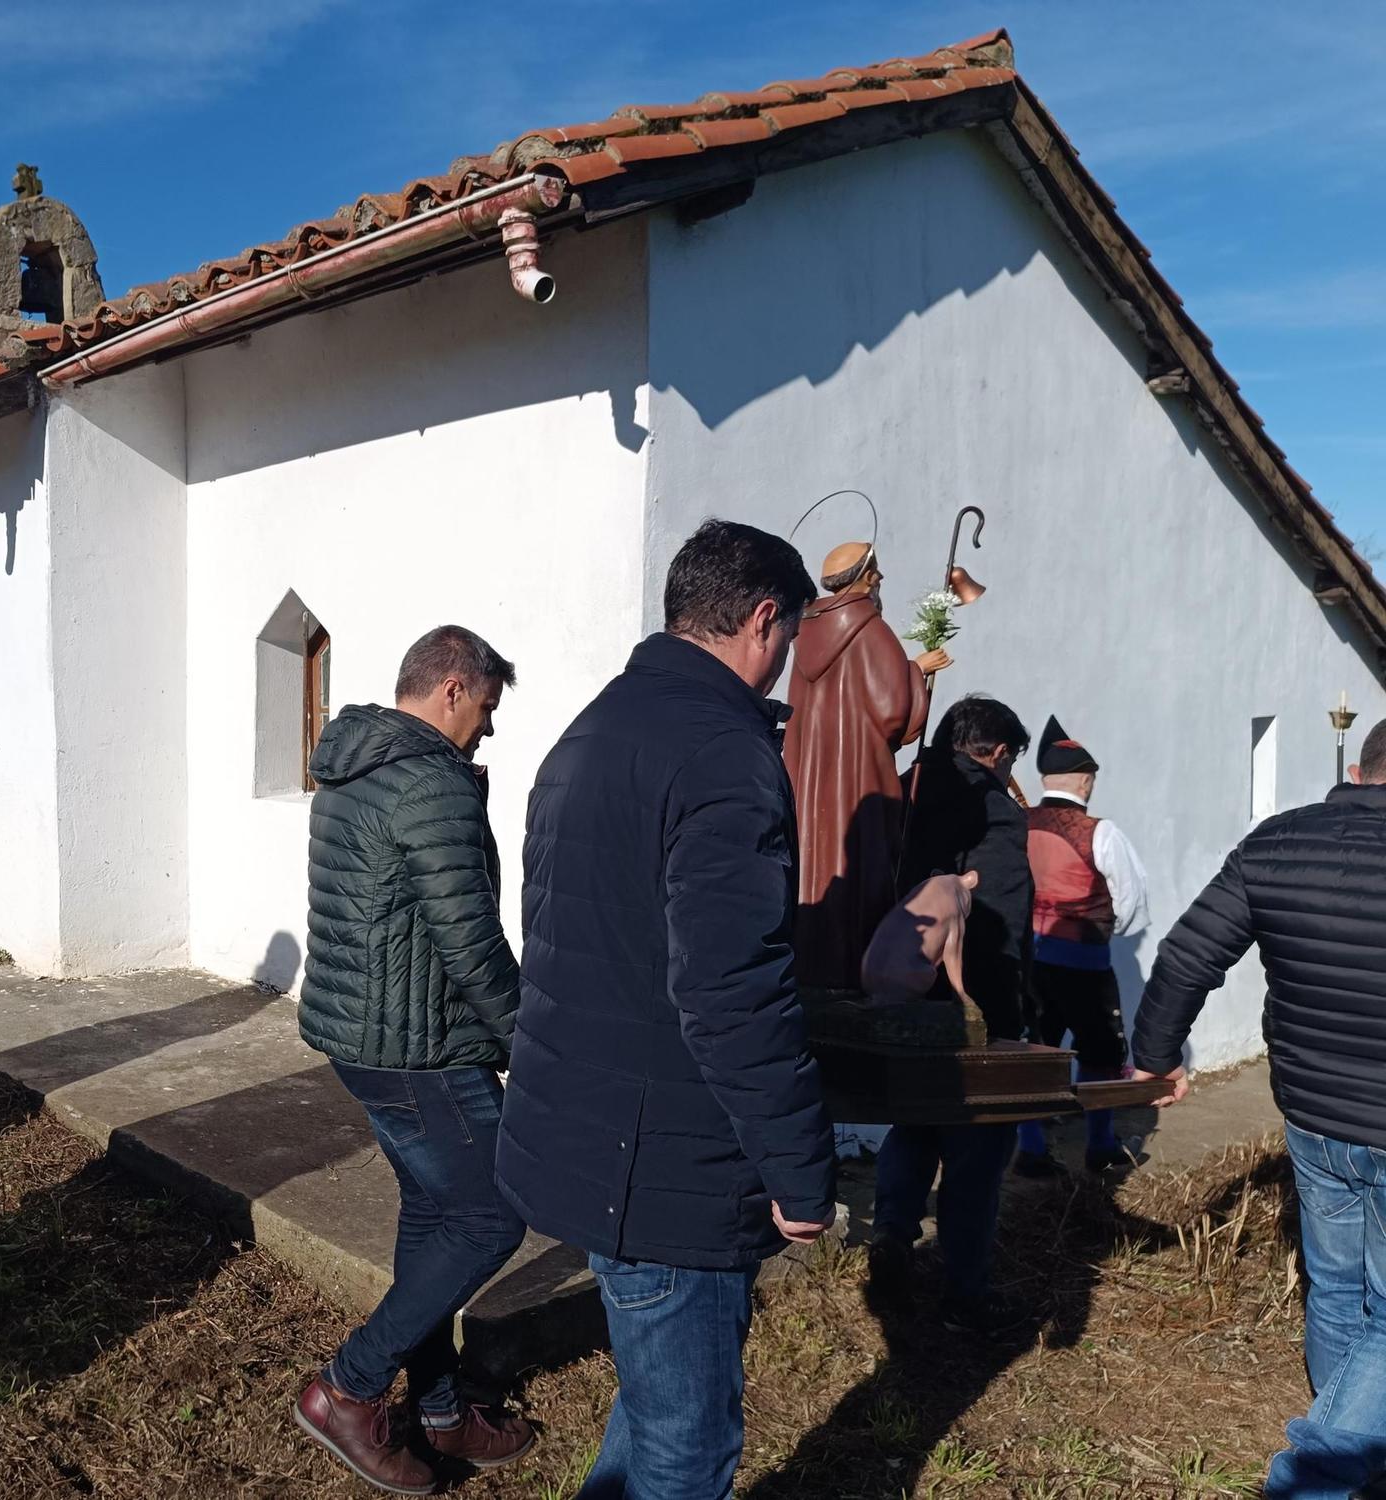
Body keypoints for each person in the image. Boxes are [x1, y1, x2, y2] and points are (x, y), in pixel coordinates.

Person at [496, 520, 835, 1499]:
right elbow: (729, 990)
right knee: (684, 1447)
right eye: (790, 641)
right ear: (764, 619)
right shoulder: (722, 755)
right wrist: (797, 1169)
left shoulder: (592, 728)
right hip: (664, 1163)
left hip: (592, 1136)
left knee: (650, 1412)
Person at [292, 624, 535, 1495]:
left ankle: (437, 1410)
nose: (490, 729)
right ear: (454, 690)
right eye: (489, 709)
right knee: (497, 1213)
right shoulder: (430, 782)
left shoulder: (352, 767)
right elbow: (469, 942)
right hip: (421, 1050)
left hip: (365, 1038)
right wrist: (526, 1043)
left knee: (437, 1216)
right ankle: (348, 1390)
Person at [1132, 720, 1386, 1495]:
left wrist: (1154, 1055)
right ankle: (1318, 1477)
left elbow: (1186, 954)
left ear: (1356, 767)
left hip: (1312, 1114)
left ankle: (1355, 1451)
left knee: (1339, 1290)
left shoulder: (1278, 843)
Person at [869, 696, 1033, 1335]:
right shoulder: (993, 812)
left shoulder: (902, 787)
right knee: (977, 1144)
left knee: (912, 1125)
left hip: (901, 990)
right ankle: (966, 1290)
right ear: (996, 753)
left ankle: (891, 1234)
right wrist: (1010, 1018)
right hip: (972, 1001)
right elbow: (1001, 925)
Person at [785, 540, 950, 992]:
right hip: (859, 782)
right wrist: (918, 672)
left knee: (816, 866)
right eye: (876, 573)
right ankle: (855, 975)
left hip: (814, 782)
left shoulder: (802, 635)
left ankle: (812, 970)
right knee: (864, 869)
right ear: (865, 576)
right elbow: (892, 711)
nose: (881, 581)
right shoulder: (869, 628)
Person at [1015, 715, 1149, 1177]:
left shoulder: (1019, 823)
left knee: (1035, 1050)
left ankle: (1030, 1148)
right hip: (1085, 962)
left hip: (1030, 960)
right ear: (1086, 781)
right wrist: (1104, 930)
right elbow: (1132, 903)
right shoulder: (1100, 832)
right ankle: (1100, 1145)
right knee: (1099, 1054)